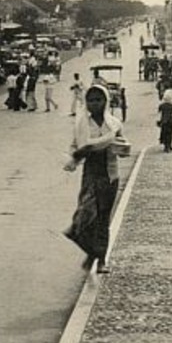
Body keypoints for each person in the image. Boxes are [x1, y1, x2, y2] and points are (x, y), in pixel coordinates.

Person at [62, 84, 126, 274]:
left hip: (109, 175)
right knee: (83, 218)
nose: (94, 104)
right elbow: (74, 147)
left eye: (98, 99)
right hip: (90, 175)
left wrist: (120, 148)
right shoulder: (82, 125)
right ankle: (92, 251)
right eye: (91, 100)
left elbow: (123, 145)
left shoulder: (114, 124)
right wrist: (77, 155)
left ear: (105, 101)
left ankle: (101, 260)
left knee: (103, 219)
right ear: (86, 104)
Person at [157, 87, 172, 152]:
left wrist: (159, 121)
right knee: (170, 133)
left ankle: (165, 145)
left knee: (164, 133)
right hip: (170, 121)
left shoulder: (162, 105)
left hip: (164, 121)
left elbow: (159, 113)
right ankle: (169, 145)